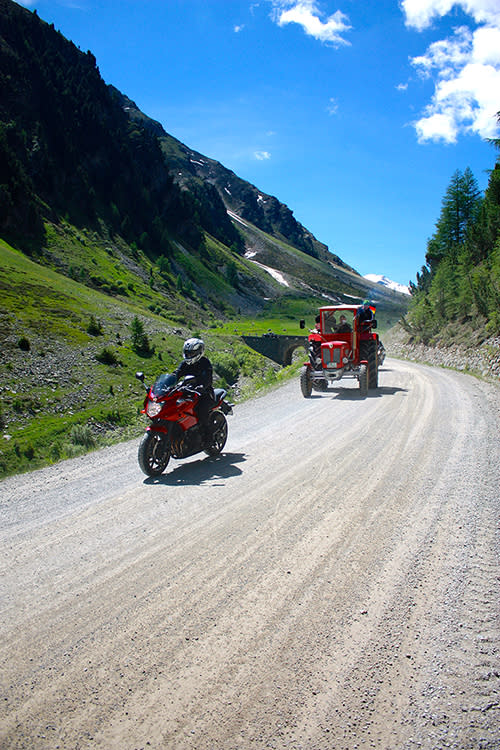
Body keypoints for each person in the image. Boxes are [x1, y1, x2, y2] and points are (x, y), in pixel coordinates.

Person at [174, 338, 215, 438]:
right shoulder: (184, 364)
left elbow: (208, 379)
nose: (189, 356)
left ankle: (208, 437)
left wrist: (201, 386)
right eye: (187, 353)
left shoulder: (205, 363)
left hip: (204, 394)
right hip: (187, 392)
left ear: (199, 352)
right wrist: (168, 382)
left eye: (191, 353)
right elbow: (176, 373)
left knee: (201, 412)